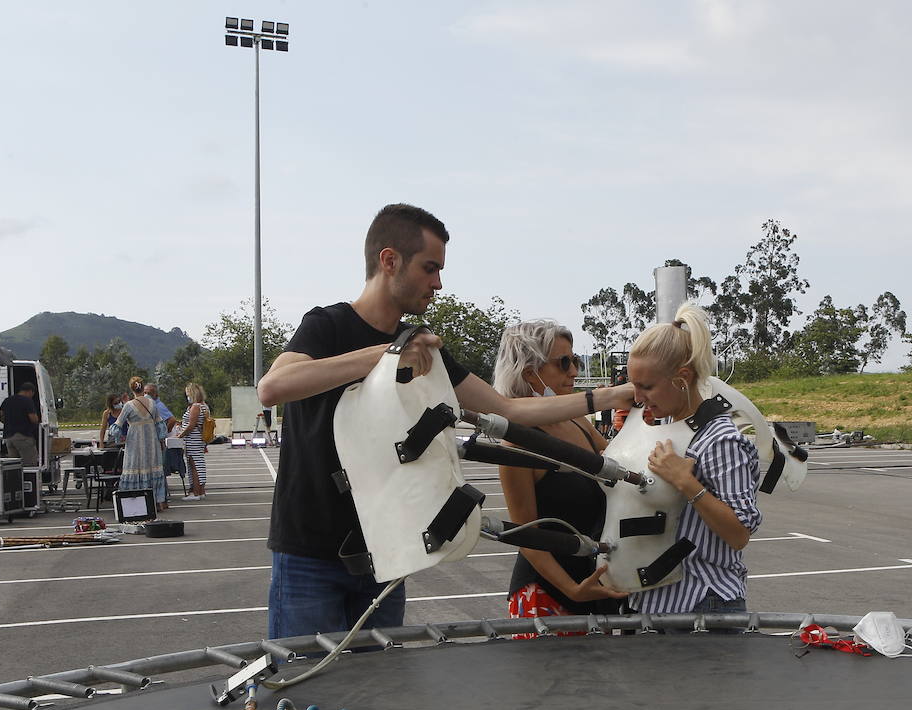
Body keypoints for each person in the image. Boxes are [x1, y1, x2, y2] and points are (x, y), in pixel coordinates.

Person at [256, 203, 634, 641]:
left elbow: (508, 410)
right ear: (389, 260)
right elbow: (274, 387)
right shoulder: (328, 326)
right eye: (430, 268)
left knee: (379, 691)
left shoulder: (425, 346)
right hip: (310, 554)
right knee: (303, 690)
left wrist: (612, 394)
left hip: (388, 550)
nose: (438, 283)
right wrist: (385, 356)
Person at [492, 321, 627, 634]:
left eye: (575, 360)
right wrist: (572, 589)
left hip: (594, 587)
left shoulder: (577, 421)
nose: (574, 372)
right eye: (563, 362)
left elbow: (621, 467)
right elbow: (526, 535)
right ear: (529, 373)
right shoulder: (519, 442)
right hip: (548, 594)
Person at [626, 304, 761, 615]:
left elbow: (739, 533)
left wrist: (687, 483)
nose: (637, 397)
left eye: (646, 386)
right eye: (634, 385)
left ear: (682, 378)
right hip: (651, 601)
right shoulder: (664, 428)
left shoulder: (721, 439)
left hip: (702, 602)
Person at [115, 376, 168, 512]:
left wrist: (117, 438)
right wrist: (161, 440)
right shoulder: (152, 403)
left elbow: (117, 426)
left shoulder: (128, 406)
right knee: (152, 469)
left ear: (131, 388)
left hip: (135, 443)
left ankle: (136, 504)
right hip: (152, 443)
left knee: (134, 468)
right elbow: (160, 426)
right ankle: (156, 502)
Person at [174, 383, 209, 501]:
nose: (187, 396)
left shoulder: (195, 407)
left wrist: (180, 435)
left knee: (194, 464)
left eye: (188, 394)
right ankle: (201, 490)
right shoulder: (204, 406)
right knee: (199, 464)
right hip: (199, 439)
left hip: (193, 439)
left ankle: (196, 492)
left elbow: (191, 425)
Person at [0, 381, 40, 467]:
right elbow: (33, 419)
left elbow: (0, 416)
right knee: (29, 463)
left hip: (8, 437)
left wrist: (9, 422)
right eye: (32, 394)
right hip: (23, 436)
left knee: (14, 466)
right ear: (30, 391)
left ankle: (15, 480)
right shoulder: (27, 401)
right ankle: (29, 480)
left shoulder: (7, 400)